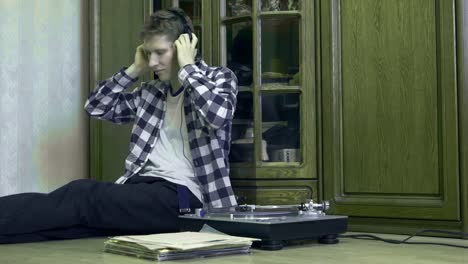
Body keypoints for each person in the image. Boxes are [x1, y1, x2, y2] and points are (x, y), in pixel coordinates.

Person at [0, 7, 238, 244]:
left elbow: (217, 116)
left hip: (187, 198)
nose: (153, 62)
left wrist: (188, 66)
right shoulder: (150, 93)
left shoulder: (219, 79)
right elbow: (96, 106)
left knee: (82, 194)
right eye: (148, 53)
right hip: (142, 187)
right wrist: (135, 69)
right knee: (74, 224)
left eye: (160, 52)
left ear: (185, 46)